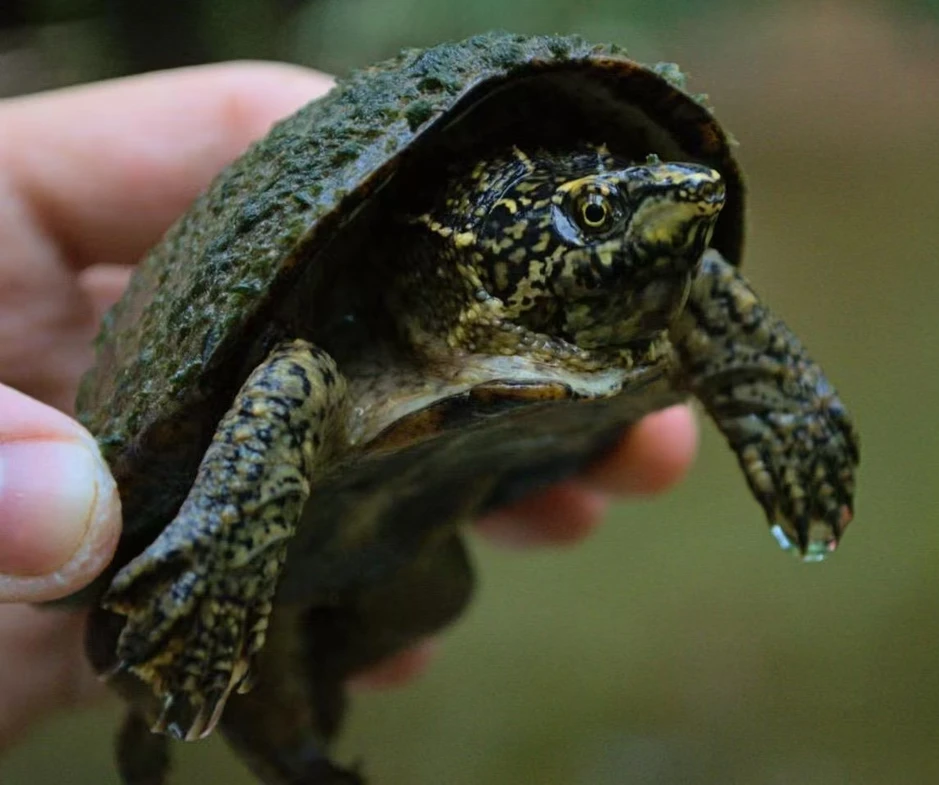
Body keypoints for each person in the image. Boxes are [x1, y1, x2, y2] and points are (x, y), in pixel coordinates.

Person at [0, 62, 698, 751]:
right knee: (300, 401)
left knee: (433, 593)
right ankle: (245, 659)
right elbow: (287, 385)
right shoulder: (321, 364)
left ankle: (284, 713)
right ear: (467, 247)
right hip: (277, 487)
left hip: (409, 514)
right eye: (595, 215)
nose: (663, 231)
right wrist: (218, 574)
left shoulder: (672, 307)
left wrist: (788, 417)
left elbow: (708, 295)